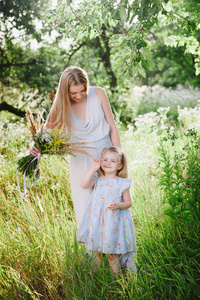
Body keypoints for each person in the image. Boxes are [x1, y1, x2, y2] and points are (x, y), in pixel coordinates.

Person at [30, 66, 121, 226]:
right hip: (80, 164)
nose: (79, 96)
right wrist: (33, 148)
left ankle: (113, 250)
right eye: (73, 93)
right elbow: (43, 135)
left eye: (82, 90)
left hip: (106, 159)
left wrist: (119, 159)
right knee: (88, 213)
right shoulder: (60, 106)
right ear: (65, 91)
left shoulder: (98, 93)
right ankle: (95, 251)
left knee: (110, 211)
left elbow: (112, 126)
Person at [77, 146, 137, 274]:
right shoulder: (98, 179)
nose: (108, 163)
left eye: (113, 161)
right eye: (105, 160)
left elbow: (128, 202)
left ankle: (117, 282)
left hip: (112, 222)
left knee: (111, 253)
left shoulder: (122, 183)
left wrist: (119, 205)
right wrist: (93, 169)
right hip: (98, 220)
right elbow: (83, 185)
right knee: (98, 252)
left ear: (120, 166)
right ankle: (99, 278)